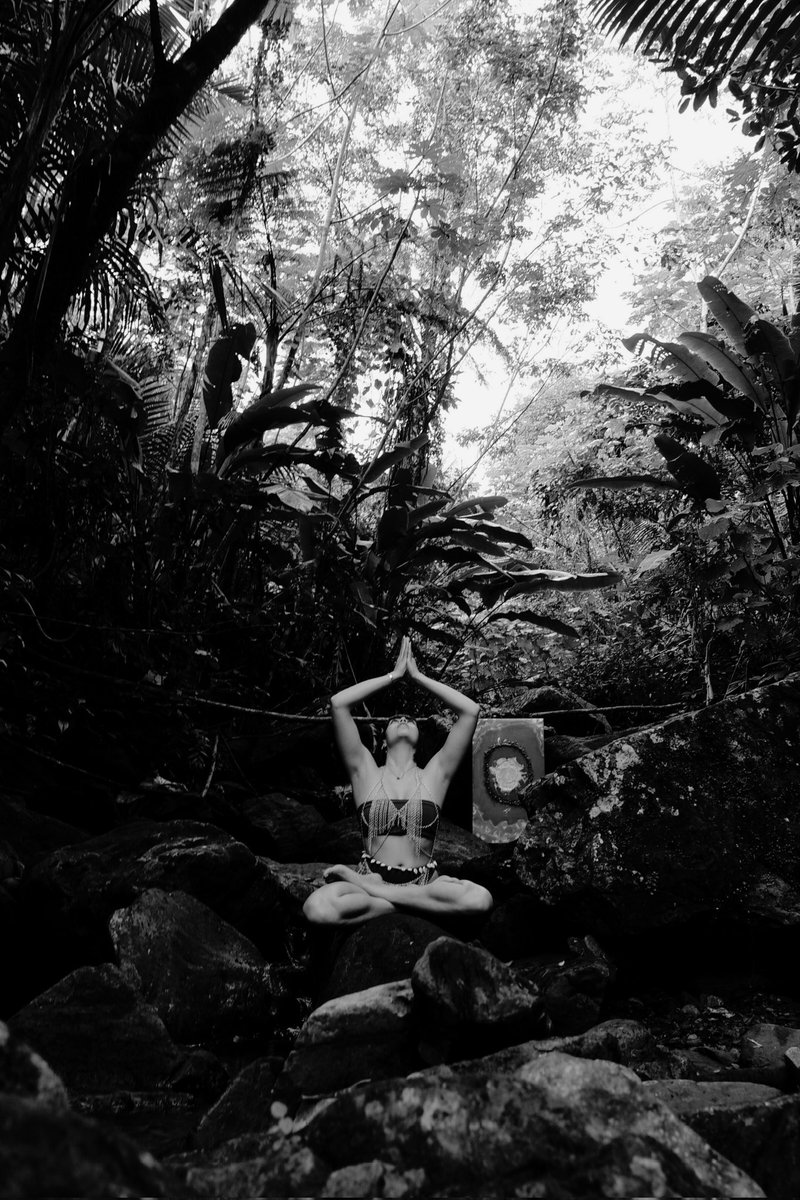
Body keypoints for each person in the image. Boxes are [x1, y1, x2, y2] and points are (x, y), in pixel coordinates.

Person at [303, 636, 493, 926]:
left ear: (419, 740)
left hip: (424, 882)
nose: (403, 720)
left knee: (480, 899)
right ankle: (404, 905)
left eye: (410, 719)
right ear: (383, 742)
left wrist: (417, 677)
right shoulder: (364, 771)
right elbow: (338, 704)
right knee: (318, 908)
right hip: (372, 876)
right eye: (395, 719)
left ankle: (382, 896)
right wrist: (392, 676)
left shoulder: (435, 773)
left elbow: (470, 711)